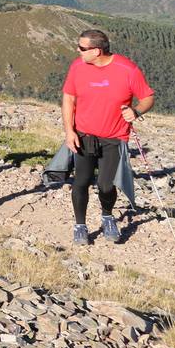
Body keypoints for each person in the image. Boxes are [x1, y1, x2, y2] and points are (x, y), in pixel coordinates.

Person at [62, 29, 155, 246]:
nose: (77, 51)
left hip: (114, 137)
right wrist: (69, 130)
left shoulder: (127, 69)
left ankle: (107, 216)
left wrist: (137, 111)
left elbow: (148, 97)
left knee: (105, 185)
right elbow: (68, 97)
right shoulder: (77, 66)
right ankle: (80, 226)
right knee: (81, 181)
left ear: (96, 51)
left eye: (82, 48)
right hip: (84, 135)